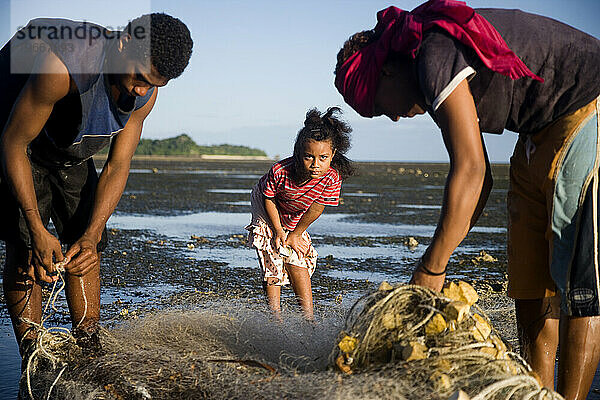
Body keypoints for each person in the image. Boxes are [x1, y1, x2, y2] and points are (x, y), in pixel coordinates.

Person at [334, 1, 600, 398]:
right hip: (536, 132)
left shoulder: (432, 54)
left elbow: (471, 171)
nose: (392, 118)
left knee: (578, 290)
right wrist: (436, 263)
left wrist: (431, 268)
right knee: (531, 291)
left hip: (586, 105)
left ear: (388, 71)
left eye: (378, 107)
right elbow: (483, 181)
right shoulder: (430, 76)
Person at [0, 13, 193, 364]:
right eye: (138, 76)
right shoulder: (61, 68)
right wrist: (36, 226)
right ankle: (33, 353)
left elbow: (119, 164)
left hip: (70, 148)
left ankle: (89, 345)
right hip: (17, 138)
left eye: (152, 84)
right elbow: (13, 143)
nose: (140, 89)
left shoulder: (145, 94)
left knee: (87, 245)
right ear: (122, 44)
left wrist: (92, 232)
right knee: (28, 248)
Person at [246, 107, 355, 320]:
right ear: (298, 154)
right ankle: (274, 317)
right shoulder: (280, 171)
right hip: (267, 203)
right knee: (275, 252)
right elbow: (269, 198)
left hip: (296, 209)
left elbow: (316, 207)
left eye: (323, 157)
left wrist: (296, 233)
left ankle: (308, 318)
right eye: (308, 157)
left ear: (332, 155)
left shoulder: (332, 178)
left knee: (298, 257)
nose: (315, 164)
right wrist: (278, 230)